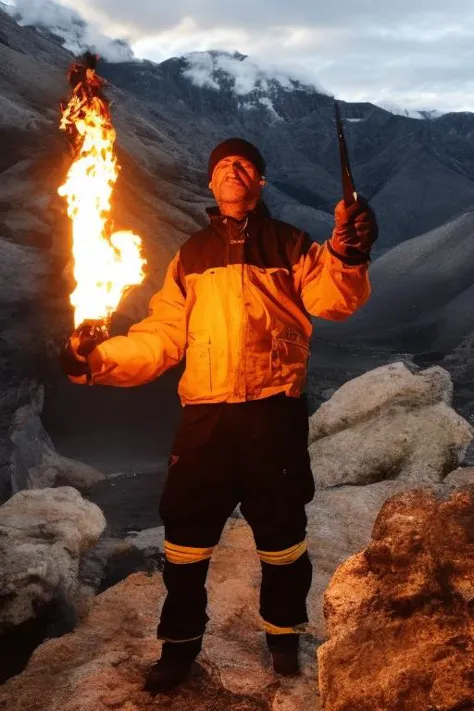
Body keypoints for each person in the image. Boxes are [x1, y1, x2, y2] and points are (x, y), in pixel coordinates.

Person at [60, 137, 378, 694]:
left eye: (246, 165)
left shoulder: (292, 245)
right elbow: (160, 339)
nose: (234, 171)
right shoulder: (189, 257)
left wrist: (348, 251)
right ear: (211, 183)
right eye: (224, 166)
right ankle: (179, 647)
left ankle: (282, 638)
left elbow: (335, 299)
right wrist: (97, 360)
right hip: (206, 419)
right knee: (185, 540)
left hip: (272, 415)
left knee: (282, 537)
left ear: (259, 182)